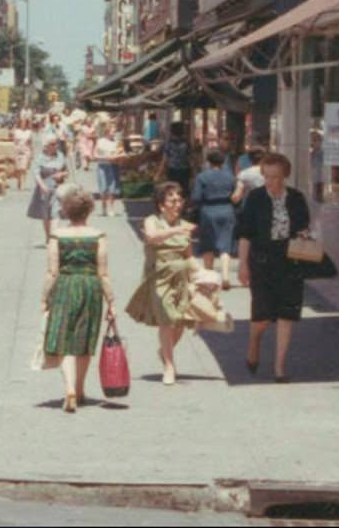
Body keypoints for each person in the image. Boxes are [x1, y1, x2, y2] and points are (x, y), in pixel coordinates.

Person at [126, 183, 224, 386]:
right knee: (167, 319)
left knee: (180, 321)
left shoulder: (184, 226)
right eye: (172, 200)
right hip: (159, 277)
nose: (178, 203)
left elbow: (188, 256)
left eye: (180, 199)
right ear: (162, 206)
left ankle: (165, 351)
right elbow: (152, 237)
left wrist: (206, 276)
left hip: (181, 278)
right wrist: (178, 229)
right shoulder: (152, 221)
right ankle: (169, 366)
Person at [237, 153, 311, 383]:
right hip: (261, 263)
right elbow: (245, 234)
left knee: (286, 314)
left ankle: (280, 367)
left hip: (290, 263)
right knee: (262, 317)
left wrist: (303, 235)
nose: (272, 182)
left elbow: (303, 226)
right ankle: (254, 342)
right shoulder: (256, 198)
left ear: (285, 175)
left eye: (277, 177)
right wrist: (242, 265)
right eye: (268, 177)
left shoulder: (297, 198)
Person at [40, 188, 116, 413]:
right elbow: (103, 272)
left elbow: (52, 272)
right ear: (89, 210)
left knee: (64, 340)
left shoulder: (57, 236)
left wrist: (44, 298)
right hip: (90, 286)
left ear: (65, 210)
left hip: (65, 285)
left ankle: (70, 388)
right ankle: (80, 389)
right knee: (85, 338)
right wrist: (111, 301)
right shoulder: (98, 235)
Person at [191, 150, 238, 289]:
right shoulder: (230, 177)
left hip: (208, 211)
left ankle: (210, 277)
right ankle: (224, 276)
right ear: (223, 162)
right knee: (226, 244)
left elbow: (196, 197)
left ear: (208, 162)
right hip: (227, 209)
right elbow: (235, 195)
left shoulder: (202, 177)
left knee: (208, 244)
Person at [27, 136, 69, 242]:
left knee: (56, 213)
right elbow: (36, 174)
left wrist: (61, 174)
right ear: (46, 146)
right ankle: (48, 236)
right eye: (53, 144)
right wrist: (42, 186)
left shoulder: (60, 156)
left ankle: (53, 238)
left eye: (56, 144)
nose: (56, 146)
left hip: (57, 188)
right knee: (46, 215)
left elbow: (66, 171)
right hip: (44, 188)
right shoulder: (40, 158)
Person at [92, 123, 122, 217]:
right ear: (107, 132)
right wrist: (106, 157)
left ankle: (111, 208)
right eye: (113, 132)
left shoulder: (117, 142)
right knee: (103, 188)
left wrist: (118, 156)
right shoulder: (100, 141)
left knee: (112, 189)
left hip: (113, 166)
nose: (114, 134)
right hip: (103, 166)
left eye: (115, 132)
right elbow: (95, 155)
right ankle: (104, 206)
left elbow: (120, 153)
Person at [156, 122, 194, 193]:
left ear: (172, 132)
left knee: (173, 190)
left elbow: (164, 160)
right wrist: (194, 172)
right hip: (185, 171)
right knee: (184, 191)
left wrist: (158, 174)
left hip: (172, 171)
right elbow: (191, 159)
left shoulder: (169, 144)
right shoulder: (186, 143)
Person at [12, 117, 35, 191]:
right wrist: (14, 152)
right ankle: (19, 181)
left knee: (24, 168)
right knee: (18, 169)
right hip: (18, 150)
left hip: (26, 151)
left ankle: (23, 184)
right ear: (20, 124)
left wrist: (32, 153)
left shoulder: (29, 132)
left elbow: (31, 143)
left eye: (25, 123)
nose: (23, 125)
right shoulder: (16, 131)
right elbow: (14, 142)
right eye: (22, 123)